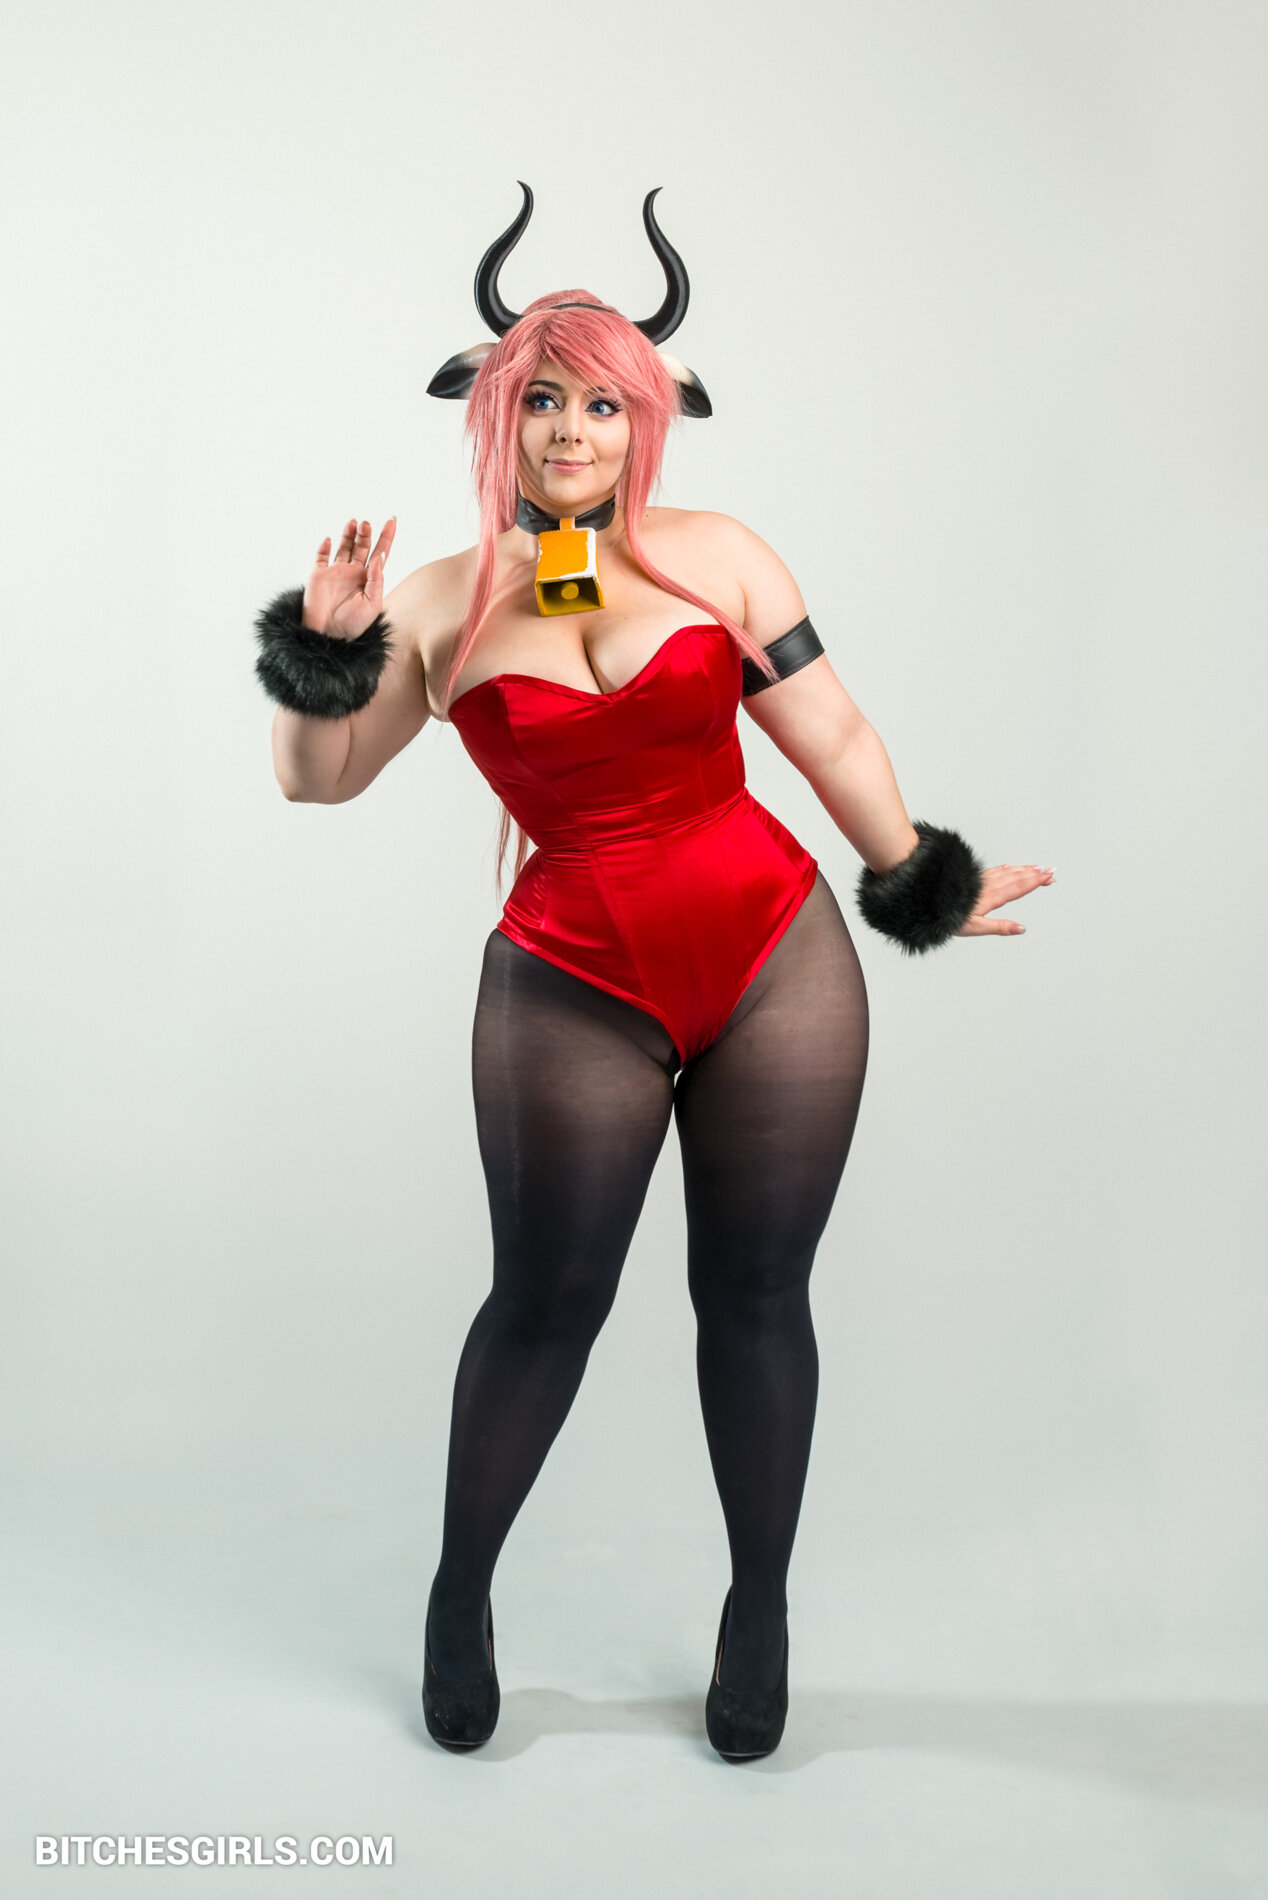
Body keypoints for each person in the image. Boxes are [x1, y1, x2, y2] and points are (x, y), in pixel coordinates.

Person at [253, 186, 1054, 1762]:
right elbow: (314, 782)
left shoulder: (720, 558)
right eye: (544, 399)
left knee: (755, 1294)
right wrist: (322, 654)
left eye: (602, 403)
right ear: (496, 411)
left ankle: (759, 1611)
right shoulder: (441, 603)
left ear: (648, 416)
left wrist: (920, 873)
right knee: (546, 1304)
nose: (571, 429)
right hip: (573, 983)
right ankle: (459, 1596)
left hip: (774, 957)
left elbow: (830, 735)